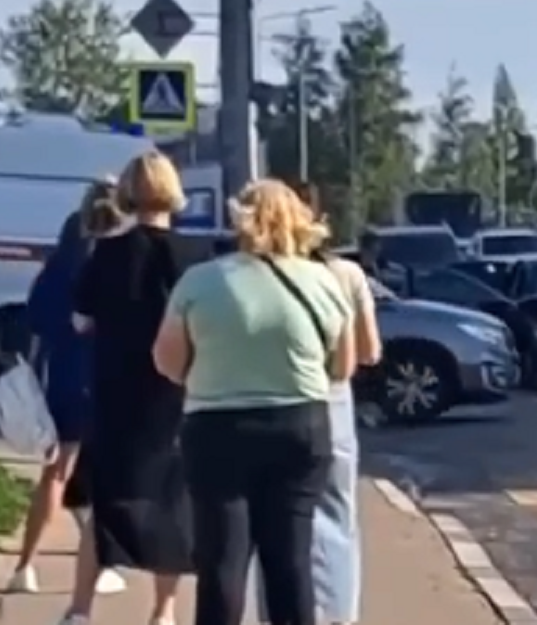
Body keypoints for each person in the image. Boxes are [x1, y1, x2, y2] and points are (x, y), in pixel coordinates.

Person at [152, 179, 357, 625]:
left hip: (217, 430)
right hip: (300, 427)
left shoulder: (201, 280)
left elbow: (166, 361)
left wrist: (212, 376)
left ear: (238, 219)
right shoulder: (323, 281)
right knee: (291, 563)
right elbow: (343, 367)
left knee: (222, 562)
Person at [58, 151, 195, 625]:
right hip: (176, 393)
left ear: (128, 194)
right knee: (173, 505)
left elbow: (79, 320)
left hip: (115, 389)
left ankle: (80, 610)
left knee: (107, 502)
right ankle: (163, 611)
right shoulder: (192, 255)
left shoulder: (108, 252)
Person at [253, 181, 383, 625]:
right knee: (335, 519)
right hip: (330, 404)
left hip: (269, 400)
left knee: (273, 525)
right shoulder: (345, 275)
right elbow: (368, 352)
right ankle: (338, 617)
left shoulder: (249, 274)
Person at [8, 180, 126, 597]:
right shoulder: (119, 264)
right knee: (110, 475)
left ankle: (25, 566)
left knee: (57, 473)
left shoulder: (58, 266)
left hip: (63, 378)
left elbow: (36, 329)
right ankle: (101, 564)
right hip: (107, 381)